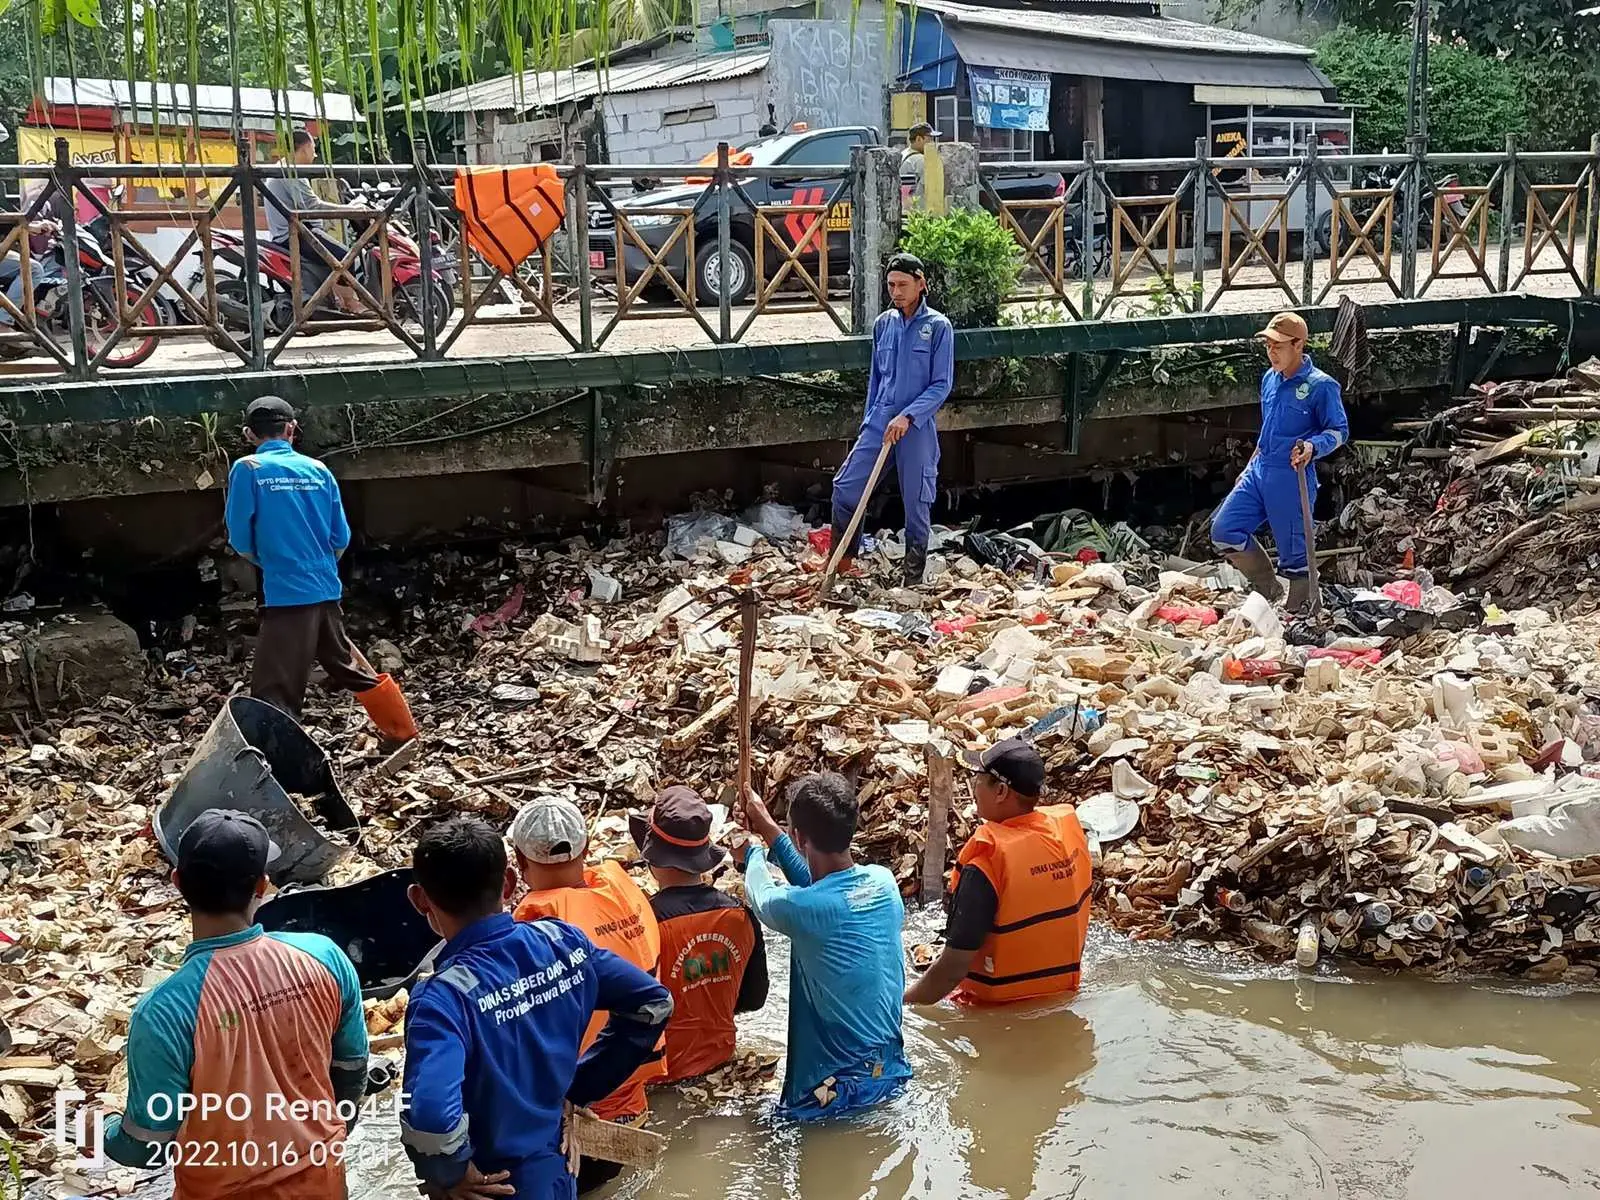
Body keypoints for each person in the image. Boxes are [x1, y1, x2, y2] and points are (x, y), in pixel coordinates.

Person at [401, 816, 673, 1200]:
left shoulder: (442, 1000)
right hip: (559, 1168)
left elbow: (430, 1116)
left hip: (496, 1184)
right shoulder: (562, 942)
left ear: (419, 899)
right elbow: (654, 1004)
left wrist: (450, 1173)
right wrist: (580, 1089)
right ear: (509, 883)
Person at [103, 810, 369, 1199]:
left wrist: (102, 1129)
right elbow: (352, 1071)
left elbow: (146, 1146)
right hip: (323, 1183)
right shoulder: (323, 957)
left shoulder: (163, 1012)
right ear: (262, 885)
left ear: (178, 882)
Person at [225, 396, 417, 742]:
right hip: (326, 586)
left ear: (248, 434)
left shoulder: (248, 469)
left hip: (287, 593)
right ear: (292, 429)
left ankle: (274, 753)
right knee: (343, 664)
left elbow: (239, 538)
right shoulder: (318, 470)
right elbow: (340, 537)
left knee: (274, 687)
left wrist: (274, 564)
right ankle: (403, 729)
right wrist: (319, 567)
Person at [510, 796, 666, 1194]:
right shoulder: (619, 887)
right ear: (588, 847)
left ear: (520, 860)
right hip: (632, 1098)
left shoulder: (538, 924)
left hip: (579, 1116)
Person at [734, 773, 912, 1119]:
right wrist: (769, 828)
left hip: (832, 1093)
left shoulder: (803, 909)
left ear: (800, 837)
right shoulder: (884, 882)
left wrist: (752, 852)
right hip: (890, 1072)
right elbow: (821, 889)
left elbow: (761, 895)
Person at [904, 738, 1092, 1007]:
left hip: (993, 1010)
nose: (974, 788)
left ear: (1001, 791)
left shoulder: (986, 863)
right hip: (1062, 996)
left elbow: (952, 970)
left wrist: (901, 1003)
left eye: (978, 779)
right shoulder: (1064, 835)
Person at [829, 252, 954, 588]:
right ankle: (842, 564)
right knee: (845, 487)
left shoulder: (938, 327)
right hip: (880, 421)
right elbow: (876, 379)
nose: (896, 292)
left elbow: (941, 384)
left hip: (916, 426)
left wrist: (909, 416)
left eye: (902, 285)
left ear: (920, 284)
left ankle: (912, 580)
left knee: (917, 502)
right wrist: (869, 421)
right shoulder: (883, 325)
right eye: (891, 285)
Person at [1211, 311, 1349, 612]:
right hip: (1260, 469)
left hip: (1291, 475)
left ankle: (1300, 611)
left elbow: (1339, 431)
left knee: (1295, 553)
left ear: (1298, 345)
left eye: (1278, 345)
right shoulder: (1270, 379)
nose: (1271, 352)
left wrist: (1313, 446)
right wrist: (1249, 466)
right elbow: (1268, 429)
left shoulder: (1321, 386)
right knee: (1224, 530)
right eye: (1268, 345)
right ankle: (1267, 586)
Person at [630, 785, 768, 1082]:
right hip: (721, 1063)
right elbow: (754, 999)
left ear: (652, 857)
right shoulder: (741, 915)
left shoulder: (644, 925)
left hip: (661, 1075)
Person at [263, 129, 361, 315]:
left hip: (297, 231)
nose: (315, 154)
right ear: (305, 148)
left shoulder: (286, 168)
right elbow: (312, 205)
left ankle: (337, 299)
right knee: (345, 257)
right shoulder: (290, 171)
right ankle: (351, 303)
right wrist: (349, 210)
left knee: (335, 254)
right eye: (313, 149)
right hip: (294, 235)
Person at [899, 122, 940, 210]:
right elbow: (931, 189)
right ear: (918, 139)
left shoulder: (902, 154)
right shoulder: (920, 160)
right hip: (917, 211)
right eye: (930, 139)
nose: (933, 143)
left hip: (904, 208)